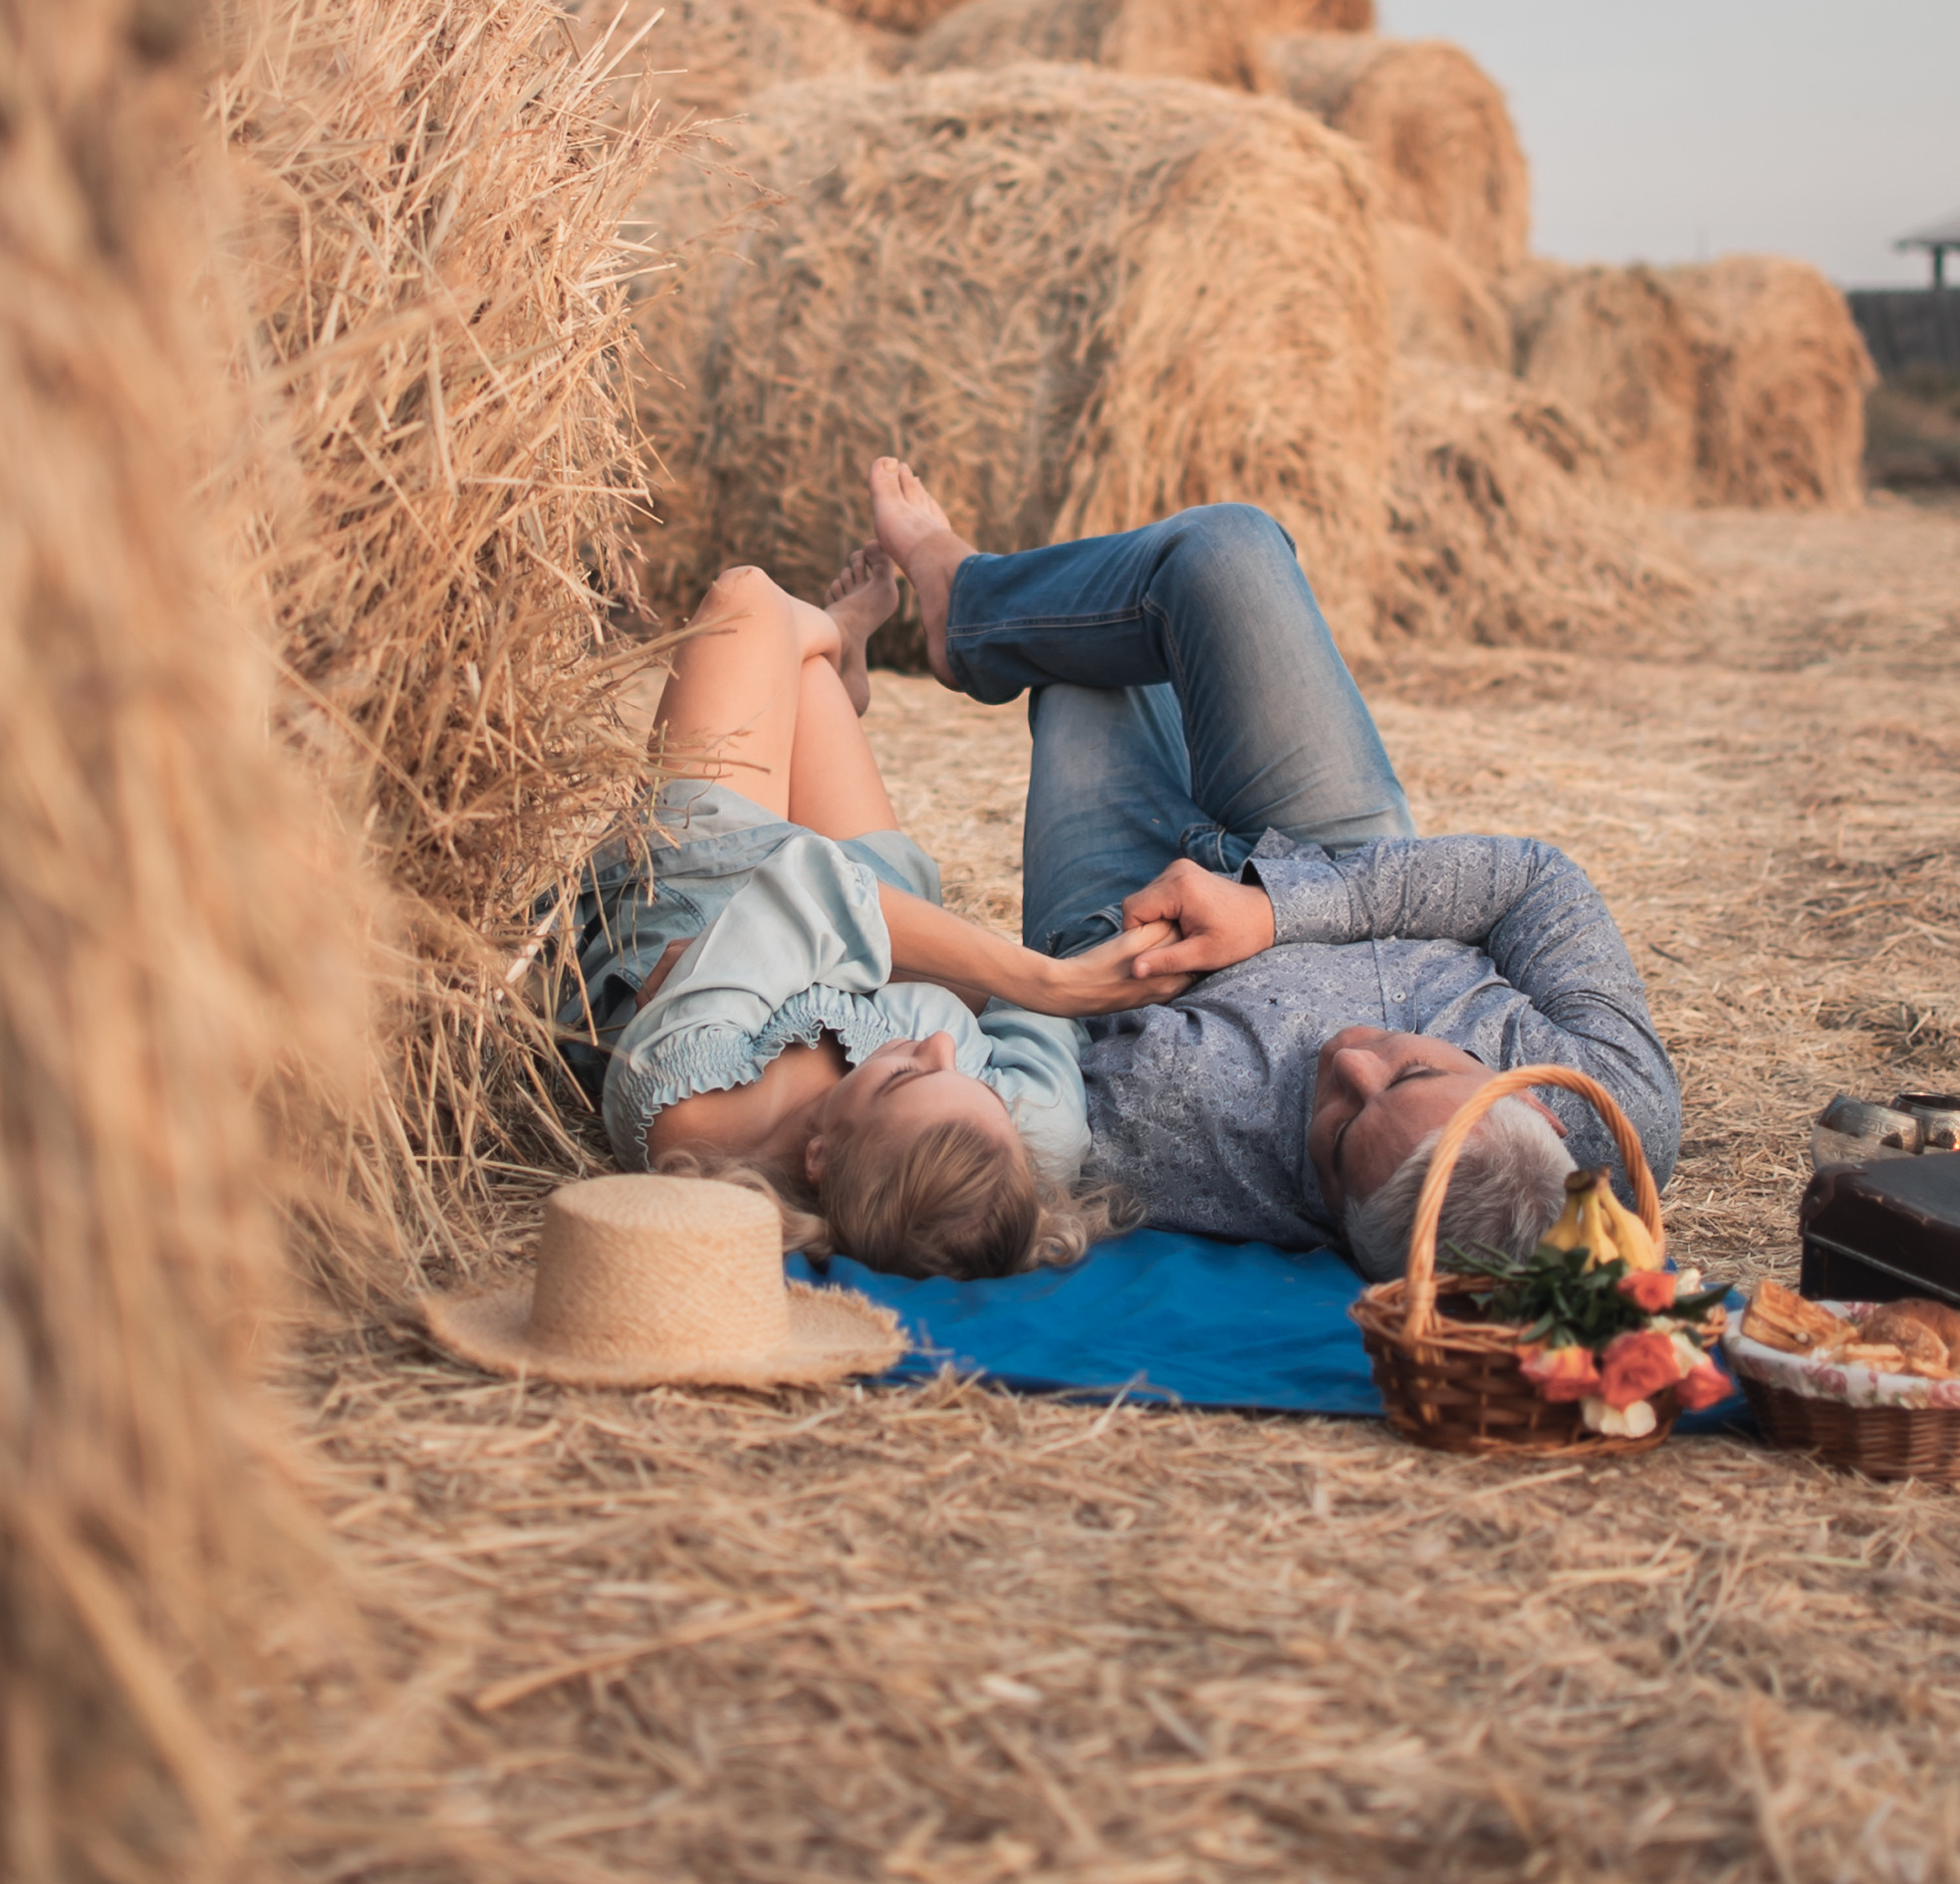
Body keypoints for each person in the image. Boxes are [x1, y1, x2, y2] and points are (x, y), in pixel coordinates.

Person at [860, 458, 1681, 1279]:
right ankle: (962, 601)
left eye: (1337, 1132)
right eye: (1415, 1067)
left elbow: (1030, 1046)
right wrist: (1273, 912)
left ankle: (975, 610)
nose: (1350, 1060)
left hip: (1128, 909)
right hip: (1343, 857)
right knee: (1228, 548)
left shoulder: (1180, 1155)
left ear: (1336, 1225)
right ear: (1531, 1100)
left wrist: (1082, 968)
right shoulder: (1616, 1105)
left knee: (1080, 664)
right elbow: (1533, 881)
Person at [554, 548, 1194, 1280]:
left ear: (820, 1158)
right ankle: (833, 645)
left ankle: (830, 629)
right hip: (869, 905)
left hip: (708, 879)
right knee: (806, 677)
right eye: (970, 1076)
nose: (943, 1052)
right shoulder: (1021, 1137)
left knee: (747, 601)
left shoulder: (686, 1102)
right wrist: (962, 985)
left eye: (904, 1078)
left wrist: (1045, 982)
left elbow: (806, 890)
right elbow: (1015, 1021)